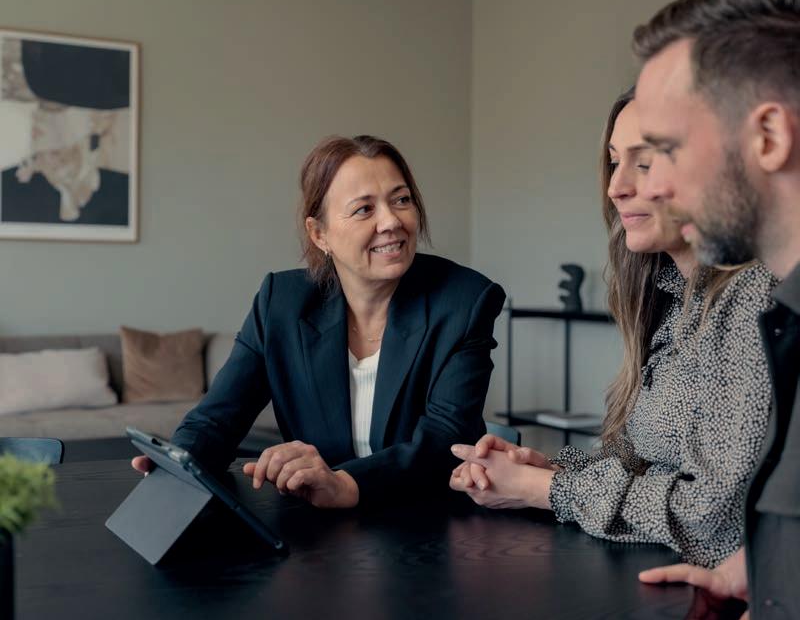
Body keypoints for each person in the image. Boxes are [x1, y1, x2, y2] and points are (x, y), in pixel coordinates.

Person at [449, 90, 777, 568]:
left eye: (643, 163)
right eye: (614, 161)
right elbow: (633, 462)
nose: (615, 187)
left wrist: (547, 489)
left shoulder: (753, 296)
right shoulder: (670, 298)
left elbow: (714, 521)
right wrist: (542, 467)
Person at [133, 134, 505, 508]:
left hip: (429, 519)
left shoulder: (465, 301)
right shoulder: (281, 302)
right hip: (316, 522)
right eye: (364, 209)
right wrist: (178, 463)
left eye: (401, 200)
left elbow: (445, 442)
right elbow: (216, 420)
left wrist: (345, 484)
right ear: (319, 234)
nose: (391, 221)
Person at [630, 0, 800, 620]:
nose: (652, 187)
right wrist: (773, 570)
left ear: (768, 137)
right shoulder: (787, 323)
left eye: (667, 150)